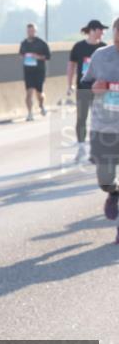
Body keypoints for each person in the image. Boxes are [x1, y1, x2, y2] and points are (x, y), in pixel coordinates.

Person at [79, 16, 119, 244]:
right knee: (104, 179)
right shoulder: (101, 56)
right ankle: (113, 192)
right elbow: (85, 84)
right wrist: (94, 87)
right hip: (103, 127)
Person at [69, 19, 108, 162]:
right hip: (83, 88)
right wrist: (69, 85)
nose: (103, 32)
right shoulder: (79, 47)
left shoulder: (105, 48)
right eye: (100, 29)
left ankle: (96, 149)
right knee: (81, 118)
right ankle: (81, 149)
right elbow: (71, 65)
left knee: (99, 120)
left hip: (100, 90)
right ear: (92, 30)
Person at [18, 23, 51, 121]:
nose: (30, 33)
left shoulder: (41, 43)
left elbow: (48, 56)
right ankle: (29, 113)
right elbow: (20, 54)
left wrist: (37, 57)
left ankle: (41, 105)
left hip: (39, 71)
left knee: (39, 93)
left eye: (32, 31)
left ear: (35, 31)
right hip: (28, 71)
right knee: (29, 92)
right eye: (28, 31)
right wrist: (24, 56)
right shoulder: (24, 43)